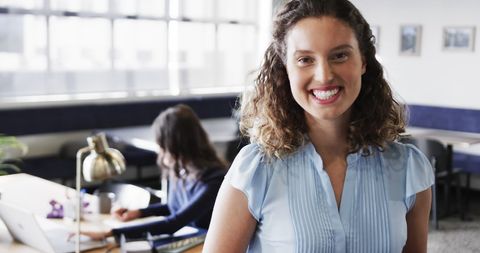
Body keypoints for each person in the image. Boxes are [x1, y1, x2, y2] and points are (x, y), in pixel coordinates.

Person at [203, 0, 434, 252]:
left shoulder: (409, 169)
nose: (324, 75)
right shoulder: (256, 170)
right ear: (286, 68)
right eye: (305, 59)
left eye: (339, 55)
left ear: (364, 61)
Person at [83, 104, 227, 240]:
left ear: (174, 145)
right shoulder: (180, 170)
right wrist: (139, 212)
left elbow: (173, 223)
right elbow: (173, 207)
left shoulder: (214, 180)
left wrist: (111, 233)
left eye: (162, 145)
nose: (160, 151)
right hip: (187, 240)